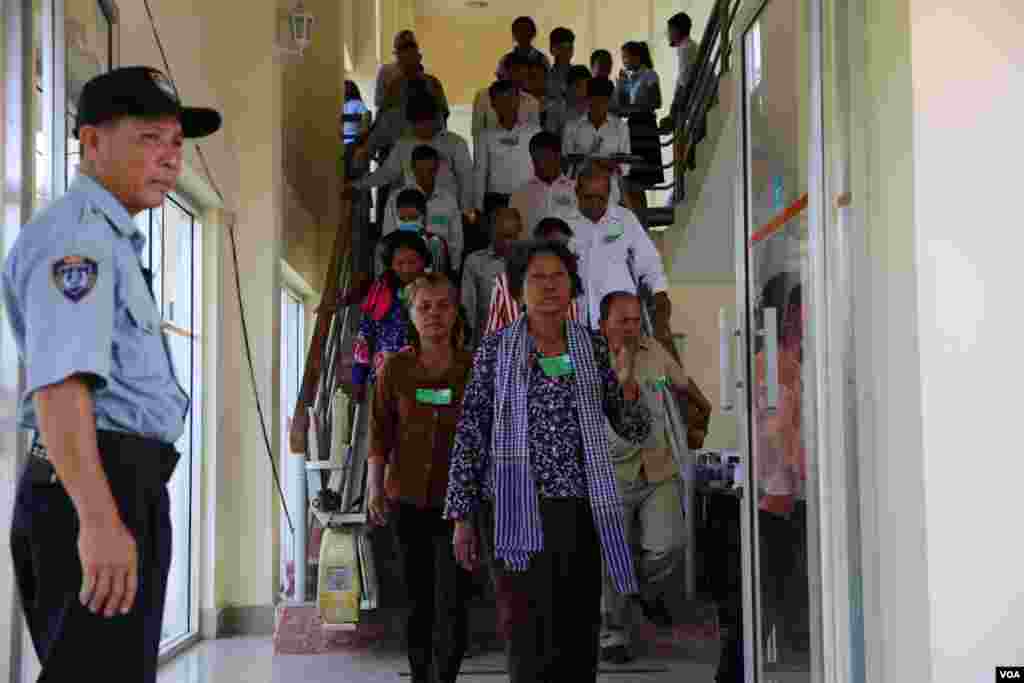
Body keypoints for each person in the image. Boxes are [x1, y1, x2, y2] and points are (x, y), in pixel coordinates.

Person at [3, 66, 220, 682]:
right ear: (92, 142)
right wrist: (99, 522)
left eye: (177, 142)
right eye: (151, 138)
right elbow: (62, 386)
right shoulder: (79, 240)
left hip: (118, 484)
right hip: (95, 488)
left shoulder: (111, 238)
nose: (170, 158)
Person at [444, 240, 651, 683]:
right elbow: (470, 431)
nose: (549, 286)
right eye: (537, 277)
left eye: (558, 276)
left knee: (577, 628)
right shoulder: (495, 350)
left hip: (579, 510)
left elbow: (630, 426)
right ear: (518, 289)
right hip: (515, 508)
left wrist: (630, 389)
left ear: (572, 286)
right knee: (526, 629)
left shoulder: (592, 348)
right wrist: (461, 513)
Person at [367, 272, 474, 683]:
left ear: (455, 312)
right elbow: (380, 431)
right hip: (406, 499)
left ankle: (445, 676)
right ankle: (419, 675)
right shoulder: (395, 368)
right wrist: (375, 486)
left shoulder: (471, 367)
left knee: (453, 600)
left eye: (442, 305)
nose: (433, 314)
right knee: (416, 600)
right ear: (411, 315)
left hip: (459, 506)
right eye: (424, 307)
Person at [597, 291, 688, 664]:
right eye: (623, 320)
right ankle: (613, 633)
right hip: (611, 471)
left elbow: (679, 387)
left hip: (656, 466)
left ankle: (642, 589)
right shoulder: (590, 358)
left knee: (669, 544)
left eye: (636, 319)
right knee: (611, 556)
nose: (631, 327)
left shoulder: (654, 352)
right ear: (604, 324)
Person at [568, 162, 674, 349]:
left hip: (622, 327)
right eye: (588, 197)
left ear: (609, 195)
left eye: (600, 198)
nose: (594, 203)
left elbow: (650, 264)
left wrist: (660, 297)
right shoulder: (563, 223)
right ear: (576, 192)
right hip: (576, 326)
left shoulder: (625, 220)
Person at [349, 96, 474, 215]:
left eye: (427, 123)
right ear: (411, 123)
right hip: (412, 212)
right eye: (418, 124)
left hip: (447, 213)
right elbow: (386, 174)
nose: (423, 128)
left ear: (437, 120)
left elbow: (466, 180)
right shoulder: (404, 145)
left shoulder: (455, 143)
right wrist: (358, 185)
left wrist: (464, 212)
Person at [351, 231, 432, 403]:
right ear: (391, 265)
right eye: (400, 263)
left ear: (423, 262)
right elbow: (365, 335)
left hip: (424, 383)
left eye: (412, 262)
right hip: (383, 381)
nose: (407, 268)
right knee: (383, 428)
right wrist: (358, 379)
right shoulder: (379, 293)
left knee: (421, 426)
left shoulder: (436, 292)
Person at [362, 38, 450, 162]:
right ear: (400, 62)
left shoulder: (432, 84)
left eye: (411, 59)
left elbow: (442, 116)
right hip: (398, 145)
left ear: (419, 57)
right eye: (404, 61)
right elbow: (383, 116)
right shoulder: (395, 86)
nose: (408, 65)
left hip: (427, 146)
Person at [381, 146, 463, 276]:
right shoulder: (396, 198)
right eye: (420, 171)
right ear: (413, 169)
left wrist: (453, 272)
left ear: (437, 169)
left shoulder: (449, 200)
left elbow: (457, 241)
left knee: (436, 244)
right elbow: (388, 237)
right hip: (403, 264)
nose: (425, 176)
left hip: (439, 264)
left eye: (430, 171)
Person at [473, 80, 543, 219]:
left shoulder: (534, 132)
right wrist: (478, 207)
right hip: (497, 201)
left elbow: (541, 168)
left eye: (510, 99)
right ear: (492, 104)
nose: (507, 104)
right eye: (501, 100)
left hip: (528, 198)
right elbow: (480, 173)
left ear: (518, 101)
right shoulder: (485, 136)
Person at [614, 41, 664, 216]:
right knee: (632, 183)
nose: (624, 62)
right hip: (633, 127)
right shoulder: (629, 78)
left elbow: (657, 101)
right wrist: (621, 85)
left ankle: (642, 221)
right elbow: (622, 106)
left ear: (637, 57)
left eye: (626, 57)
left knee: (638, 182)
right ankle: (638, 220)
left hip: (645, 126)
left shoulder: (649, 74)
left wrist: (636, 106)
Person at [563, 77, 631, 208]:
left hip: (611, 192)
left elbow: (625, 167)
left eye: (604, 100)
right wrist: (594, 162)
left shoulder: (620, 127)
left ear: (609, 101)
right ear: (588, 99)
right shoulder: (571, 127)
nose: (599, 104)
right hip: (579, 192)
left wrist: (606, 164)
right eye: (595, 99)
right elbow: (566, 165)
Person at [460, 207, 521, 348]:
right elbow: (468, 308)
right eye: (502, 236)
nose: (507, 242)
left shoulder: (529, 262)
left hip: (520, 346)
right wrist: (468, 350)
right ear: (492, 233)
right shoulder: (475, 262)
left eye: (512, 236)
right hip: (486, 345)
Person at [509, 131, 579, 240]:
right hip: (532, 253)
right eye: (536, 160)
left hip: (569, 253)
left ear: (558, 156)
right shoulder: (519, 194)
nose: (541, 165)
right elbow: (513, 234)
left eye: (547, 158)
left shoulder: (576, 190)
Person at [471, 53, 541, 144]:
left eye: (524, 73)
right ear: (504, 72)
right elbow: (477, 132)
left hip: (522, 153)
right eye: (516, 71)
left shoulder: (532, 102)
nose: (520, 77)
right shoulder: (483, 97)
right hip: (493, 152)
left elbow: (534, 135)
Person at [662, 11, 698, 132]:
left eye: (669, 30)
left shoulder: (686, 49)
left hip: (698, 102)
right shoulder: (690, 47)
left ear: (677, 31)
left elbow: (684, 84)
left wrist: (674, 114)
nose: (668, 34)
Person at [495, 16, 551, 81]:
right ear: (514, 34)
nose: (523, 34)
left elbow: (548, 82)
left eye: (526, 30)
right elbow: (501, 83)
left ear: (533, 33)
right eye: (519, 30)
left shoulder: (542, 59)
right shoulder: (506, 60)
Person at [342, 80, 372, 178]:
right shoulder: (341, 104)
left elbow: (367, 116)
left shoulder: (356, 103)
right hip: (345, 143)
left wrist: (362, 133)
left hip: (352, 142)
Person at [546, 27, 576, 104]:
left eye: (569, 48)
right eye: (561, 48)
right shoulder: (545, 77)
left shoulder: (580, 75)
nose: (566, 53)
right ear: (552, 49)